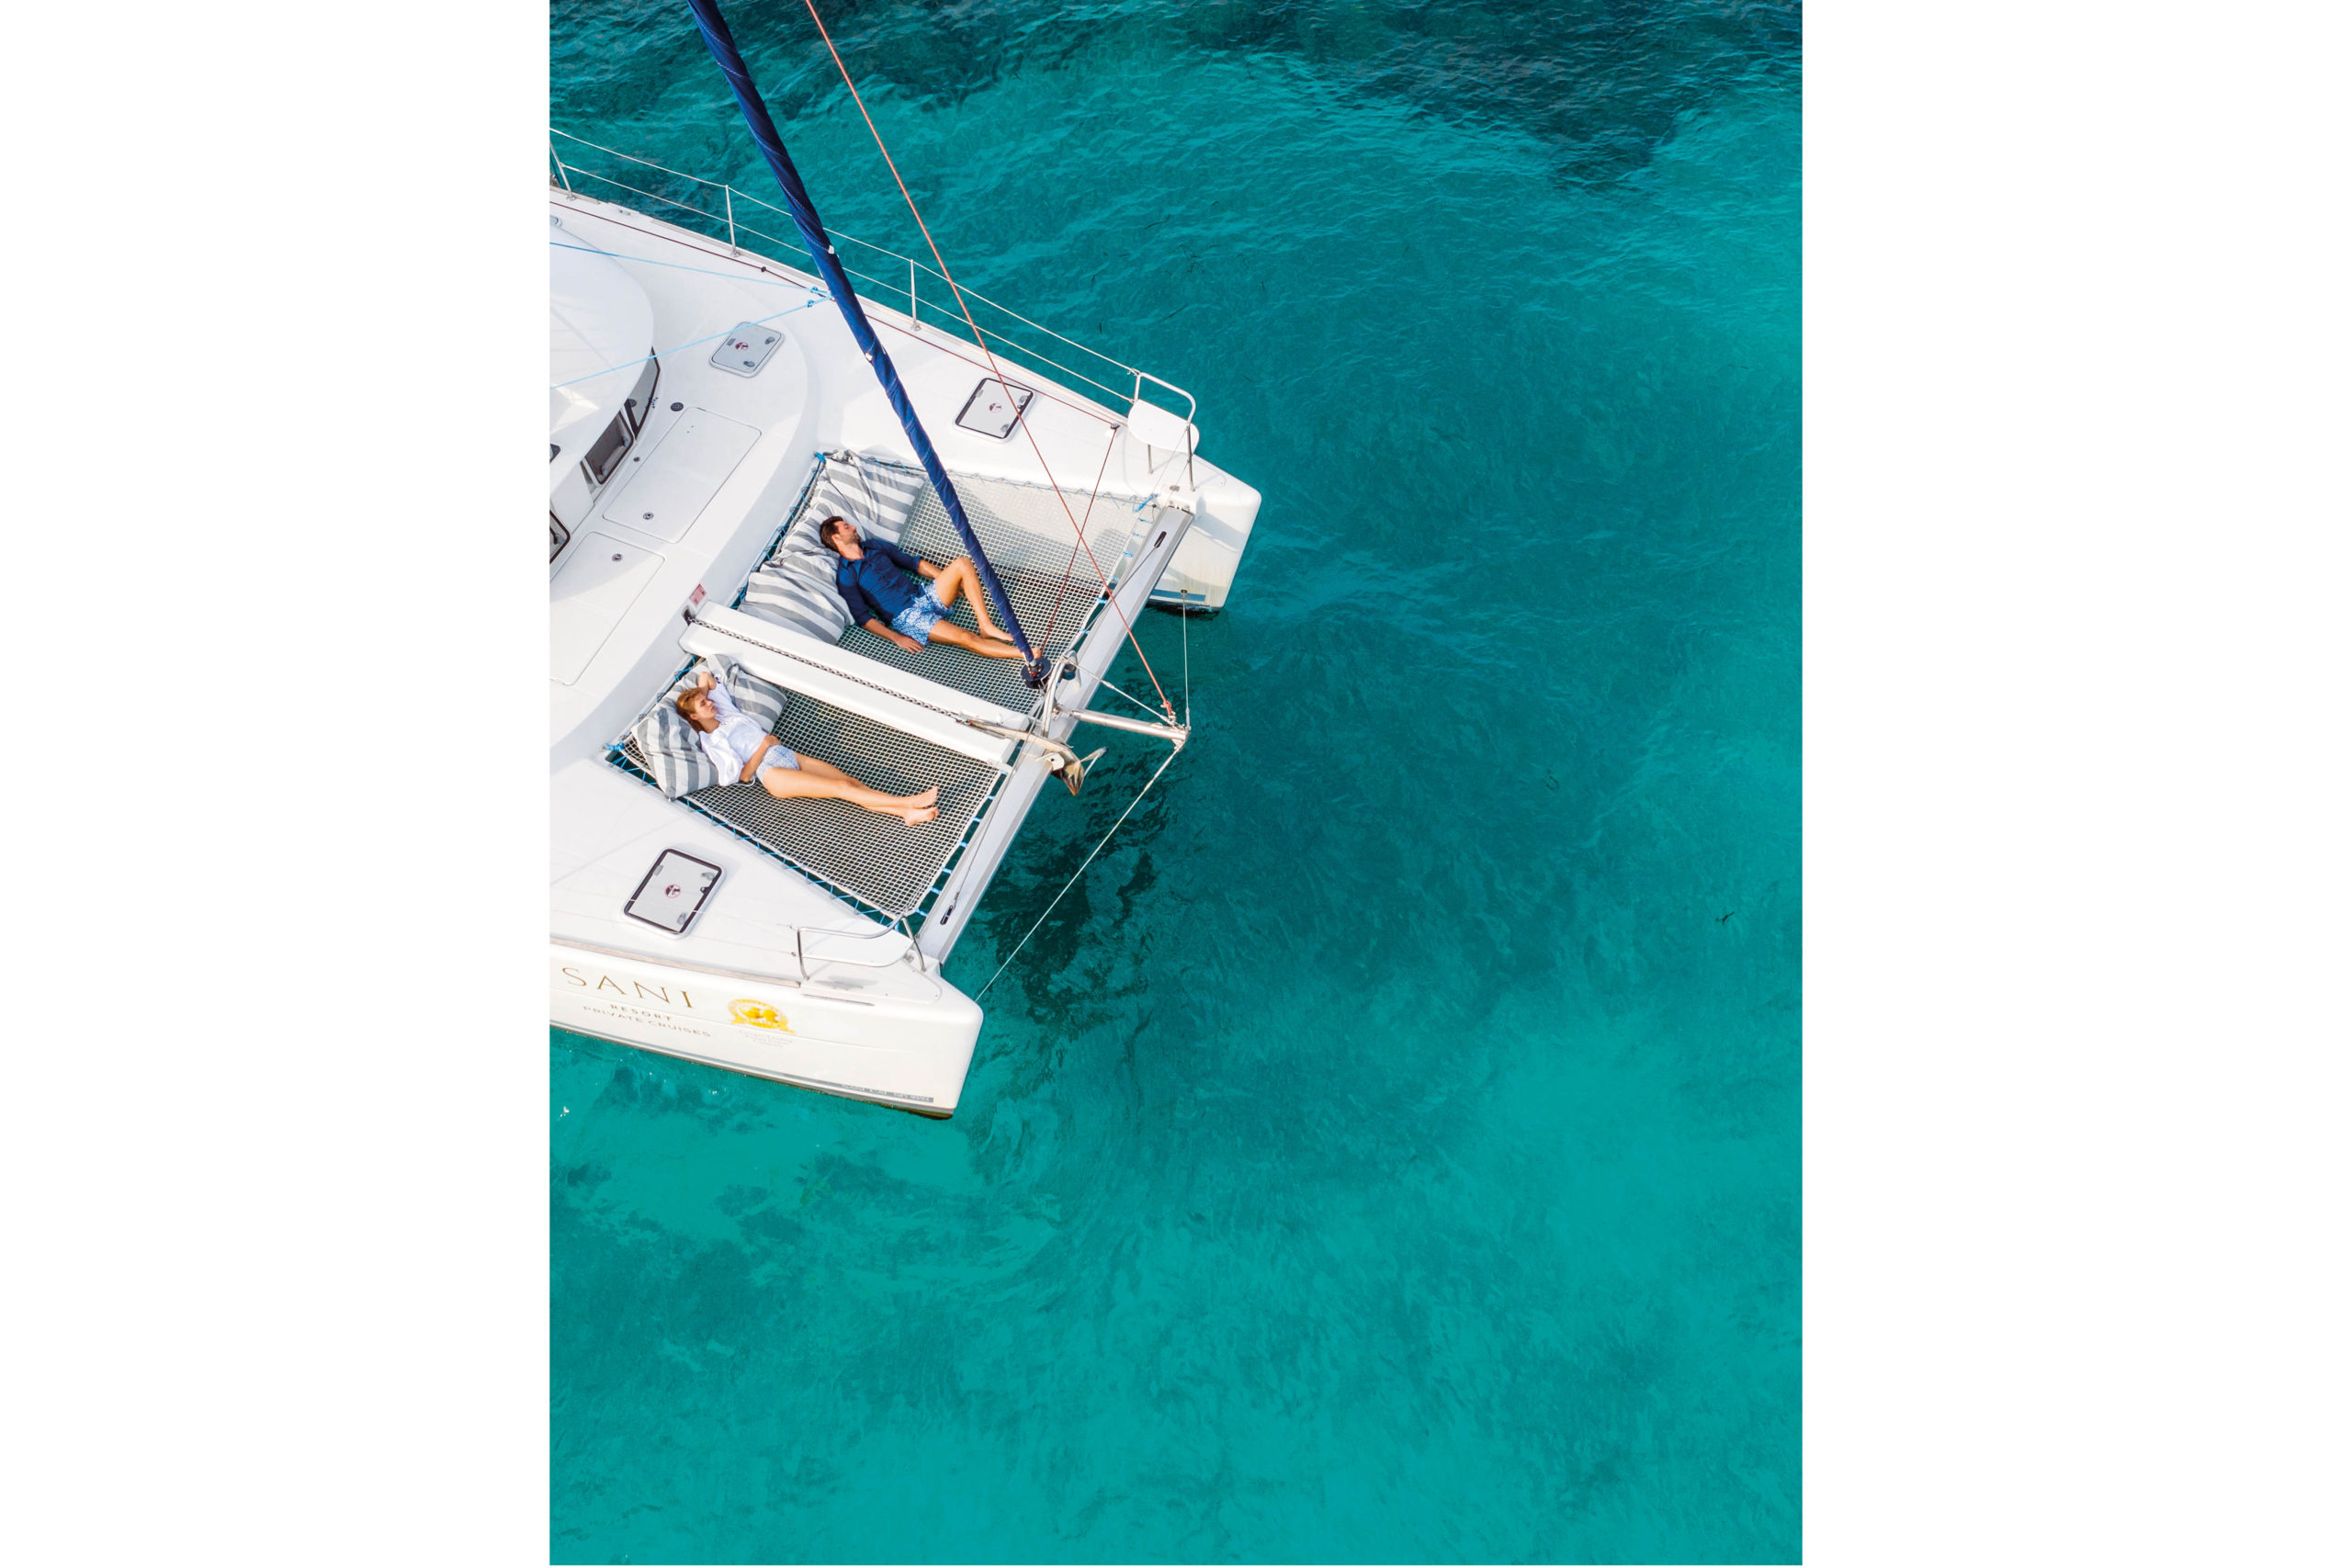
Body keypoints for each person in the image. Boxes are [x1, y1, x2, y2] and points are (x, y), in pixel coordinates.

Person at [677, 671, 939, 826]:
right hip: (771, 773)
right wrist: (764, 744)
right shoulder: (712, 742)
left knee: (850, 782)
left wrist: (698, 695)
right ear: (694, 718)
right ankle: (909, 801)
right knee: (842, 789)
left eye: (706, 700)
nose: (709, 703)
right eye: (703, 705)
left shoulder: (725, 712)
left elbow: (706, 676)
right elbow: (742, 777)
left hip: (786, 754)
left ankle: (905, 813)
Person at [816, 515, 1024, 661]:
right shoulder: (846, 575)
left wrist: (947, 580)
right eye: (846, 527)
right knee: (965, 637)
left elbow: (914, 564)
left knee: (962, 563)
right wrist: (897, 637)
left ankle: (985, 625)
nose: (853, 528)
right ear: (836, 538)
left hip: (924, 594)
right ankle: (1023, 654)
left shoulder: (874, 546)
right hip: (908, 616)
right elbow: (863, 618)